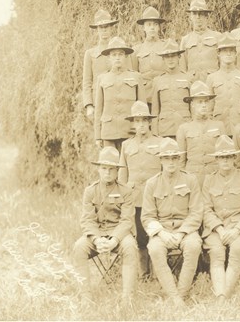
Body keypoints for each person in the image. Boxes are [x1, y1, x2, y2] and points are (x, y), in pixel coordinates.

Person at [141, 138, 203, 306]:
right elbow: (147, 216)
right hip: (162, 230)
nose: (171, 162)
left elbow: (196, 212)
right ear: (161, 160)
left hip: (186, 229)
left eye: (174, 157)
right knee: (154, 249)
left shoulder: (190, 180)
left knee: (193, 246)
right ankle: (174, 296)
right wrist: (161, 233)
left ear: (179, 159)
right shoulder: (152, 184)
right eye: (167, 158)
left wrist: (183, 232)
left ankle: (180, 295)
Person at [72, 147, 139, 302]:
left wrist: (114, 240)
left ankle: (127, 298)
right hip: (97, 235)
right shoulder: (90, 191)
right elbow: (88, 219)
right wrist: (96, 239)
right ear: (99, 170)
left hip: (119, 236)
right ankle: (86, 296)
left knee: (130, 247)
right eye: (104, 168)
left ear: (117, 171)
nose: (107, 172)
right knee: (79, 247)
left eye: (111, 169)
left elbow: (127, 220)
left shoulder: (126, 191)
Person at [200, 136, 240, 298]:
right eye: (221, 157)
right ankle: (220, 294)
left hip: (238, 227)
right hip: (215, 229)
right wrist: (219, 230)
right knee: (217, 253)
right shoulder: (209, 180)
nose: (225, 161)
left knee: (237, 250)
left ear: (234, 158)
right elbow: (205, 209)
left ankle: (224, 294)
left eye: (228, 157)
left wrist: (236, 230)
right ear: (217, 160)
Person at [119, 101, 163, 273]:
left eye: (144, 120)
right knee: (141, 237)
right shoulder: (126, 145)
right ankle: (144, 272)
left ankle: (158, 270)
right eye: (137, 121)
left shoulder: (160, 143)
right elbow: (122, 176)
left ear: (149, 122)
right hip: (135, 198)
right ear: (133, 123)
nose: (141, 124)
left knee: (156, 233)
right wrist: (123, 198)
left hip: (156, 197)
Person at [94, 37, 144, 148]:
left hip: (130, 131)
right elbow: (98, 109)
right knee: (110, 162)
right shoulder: (102, 78)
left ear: (126, 56)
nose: (117, 58)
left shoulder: (136, 77)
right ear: (109, 58)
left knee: (129, 164)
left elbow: (142, 109)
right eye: (114, 55)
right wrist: (98, 136)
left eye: (120, 54)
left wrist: (142, 132)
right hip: (108, 131)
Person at [177, 81, 227, 176]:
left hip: (215, 174)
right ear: (192, 104)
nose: (204, 105)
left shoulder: (219, 126)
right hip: (193, 175)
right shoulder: (183, 128)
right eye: (200, 102)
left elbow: (225, 156)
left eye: (206, 101)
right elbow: (181, 161)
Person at [207, 35, 240, 130]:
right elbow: (209, 108)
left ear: (236, 53)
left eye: (231, 51)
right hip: (220, 124)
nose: (228, 54)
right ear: (218, 54)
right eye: (224, 51)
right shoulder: (211, 78)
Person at [150, 40, 191, 138]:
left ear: (179, 57)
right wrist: (155, 132)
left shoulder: (188, 78)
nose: (170, 59)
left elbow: (193, 106)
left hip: (185, 126)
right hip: (165, 129)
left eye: (173, 56)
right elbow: (155, 110)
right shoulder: (157, 80)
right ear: (163, 59)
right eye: (167, 57)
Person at [82, 9, 118, 119]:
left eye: (106, 26)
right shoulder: (90, 54)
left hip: (117, 99)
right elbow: (87, 81)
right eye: (101, 27)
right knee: (100, 133)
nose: (104, 30)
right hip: (98, 100)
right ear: (97, 29)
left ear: (111, 27)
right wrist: (89, 105)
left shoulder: (119, 51)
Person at [183, 0, 224, 81]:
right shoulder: (185, 40)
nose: (198, 17)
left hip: (214, 83)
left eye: (201, 13)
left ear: (206, 16)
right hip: (193, 85)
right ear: (190, 17)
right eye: (194, 13)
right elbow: (183, 69)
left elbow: (223, 64)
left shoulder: (218, 37)